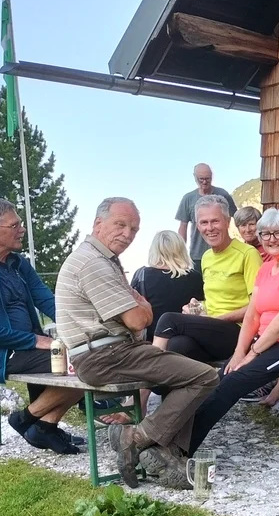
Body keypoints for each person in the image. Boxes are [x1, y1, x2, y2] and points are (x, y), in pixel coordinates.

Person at [56, 198, 220, 489]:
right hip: (107, 354)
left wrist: (141, 308)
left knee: (183, 376)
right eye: (120, 225)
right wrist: (142, 309)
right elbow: (137, 320)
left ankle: (164, 453)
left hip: (109, 351)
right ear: (97, 223)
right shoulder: (94, 263)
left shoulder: (104, 259)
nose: (127, 234)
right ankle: (137, 438)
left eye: (133, 228)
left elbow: (140, 311)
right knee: (204, 376)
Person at [0, 199, 84, 453]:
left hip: (25, 346)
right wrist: (36, 341)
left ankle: (42, 425)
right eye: (15, 225)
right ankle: (29, 421)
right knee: (81, 363)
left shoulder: (17, 262)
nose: (22, 229)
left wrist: (81, 326)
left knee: (88, 352)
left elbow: (46, 299)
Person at [189, 208, 279, 453]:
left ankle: (182, 447)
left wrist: (253, 352)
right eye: (265, 234)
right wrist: (239, 352)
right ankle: (171, 435)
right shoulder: (265, 269)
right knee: (222, 377)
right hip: (266, 342)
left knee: (236, 381)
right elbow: (252, 314)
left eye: (278, 233)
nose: (271, 239)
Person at [153, 195, 261, 365]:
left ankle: (149, 379)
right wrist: (198, 307)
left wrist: (218, 319)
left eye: (215, 221)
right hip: (211, 331)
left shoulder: (248, 254)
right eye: (204, 223)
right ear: (197, 226)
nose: (210, 228)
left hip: (239, 332)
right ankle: (174, 389)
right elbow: (216, 300)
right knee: (178, 345)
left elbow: (257, 306)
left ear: (227, 221)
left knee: (168, 320)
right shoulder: (206, 257)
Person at [129, 230, 203, 341]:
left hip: (152, 342)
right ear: (181, 249)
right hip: (188, 341)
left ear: (154, 250)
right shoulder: (196, 277)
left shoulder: (143, 275)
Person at [175, 163, 236, 273]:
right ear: (195, 177)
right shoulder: (188, 198)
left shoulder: (223, 194)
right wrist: (180, 253)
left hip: (223, 252)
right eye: (201, 179)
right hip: (197, 255)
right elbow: (182, 227)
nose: (204, 182)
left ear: (212, 177)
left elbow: (236, 219)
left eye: (207, 179)